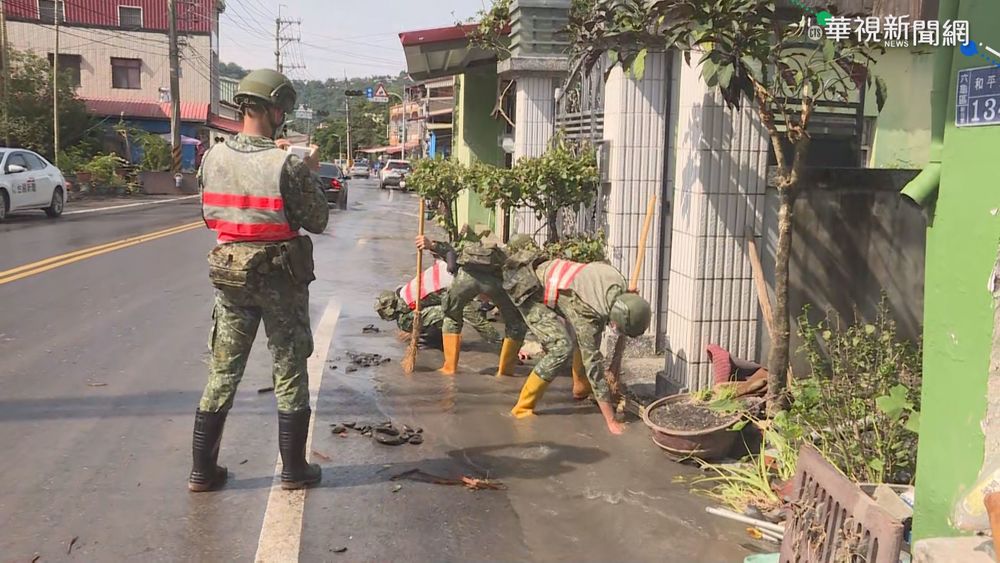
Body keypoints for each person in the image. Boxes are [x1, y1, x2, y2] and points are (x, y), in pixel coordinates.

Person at [189, 69, 329, 492]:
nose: (283, 115)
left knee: (222, 372)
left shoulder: (212, 157)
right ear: (273, 110)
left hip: (231, 277)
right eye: (282, 108)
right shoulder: (286, 163)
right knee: (289, 369)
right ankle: (293, 470)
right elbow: (318, 220)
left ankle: (202, 472)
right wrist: (310, 170)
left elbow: (209, 216)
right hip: (281, 280)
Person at [502, 242, 651, 435]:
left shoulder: (618, 284)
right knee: (561, 348)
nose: (613, 328)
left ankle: (580, 389)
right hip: (529, 288)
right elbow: (594, 367)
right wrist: (611, 420)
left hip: (553, 277)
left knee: (590, 340)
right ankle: (522, 407)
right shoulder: (587, 316)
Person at [415, 228, 529, 376]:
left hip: (464, 280)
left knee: (452, 318)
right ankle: (506, 371)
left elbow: (449, 250)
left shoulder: (473, 250)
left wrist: (430, 244)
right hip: (494, 284)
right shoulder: (512, 256)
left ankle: (449, 368)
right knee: (515, 324)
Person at [375, 259, 502, 346]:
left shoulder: (456, 269)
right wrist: (500, 341)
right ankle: (438, 336)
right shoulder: (459, 286)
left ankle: (432, 332)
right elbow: (474, 319)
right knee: (452, 313)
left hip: (422, 295)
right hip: (416, 306)